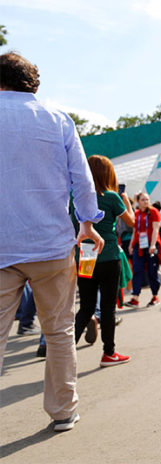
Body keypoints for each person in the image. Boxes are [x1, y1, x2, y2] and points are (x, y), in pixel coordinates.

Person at [0, 52, 104, 432]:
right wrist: (89, 223)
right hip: (51, 242)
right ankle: (63, 411)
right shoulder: (57, 118)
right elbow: (82, 178)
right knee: (58, 330)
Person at [73, 155, 135, 367]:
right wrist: (125, 199)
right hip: (107, 253)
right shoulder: (111, 197)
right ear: (108, 174)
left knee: (86, 307)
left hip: (87, 253)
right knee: (108, 308)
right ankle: (109, 353)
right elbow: (132, 222)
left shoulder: (78, 197)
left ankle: (62, 354)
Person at [126, 192, 161, 307]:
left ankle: (155, 296)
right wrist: (131, 245)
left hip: (151, 245)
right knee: (137, 270)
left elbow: (156, 229)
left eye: (147, 199)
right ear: (139, 201)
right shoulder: (137, 213)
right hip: (139, 246)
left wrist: (153, 245)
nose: (146, 202)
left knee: (152, 271)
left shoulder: (153, 212)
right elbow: (135, 231)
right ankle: (135, 297)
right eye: (143, 200)